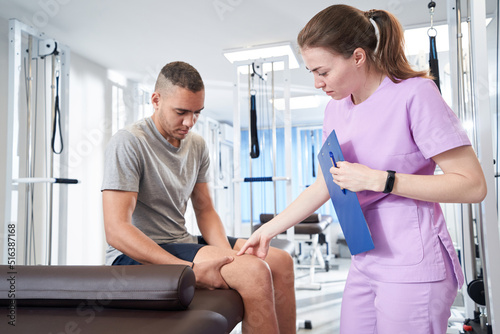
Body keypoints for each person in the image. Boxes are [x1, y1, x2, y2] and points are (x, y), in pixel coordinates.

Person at [237, 4, 487, 334]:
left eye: (322, 72)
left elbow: (472, 185)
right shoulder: (334, 111)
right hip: (365, 257)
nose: (316, 83)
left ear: (357, 57)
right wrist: (268, 230)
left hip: (411, 260)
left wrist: (378, 179)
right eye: (311, 72)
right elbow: (323, 185)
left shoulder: (415, 94)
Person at [101, 61, 295, 334]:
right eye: (181, 112)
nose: (189, 122)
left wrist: (229, 257)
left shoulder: (197, 144)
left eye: (197, 113)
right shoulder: (130, 142)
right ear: (156, 100)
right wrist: (188, 269)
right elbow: (116, 231)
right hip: (134, 256)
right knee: (253, 272)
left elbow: (205, 210)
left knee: (280, 261)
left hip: (181, 240)